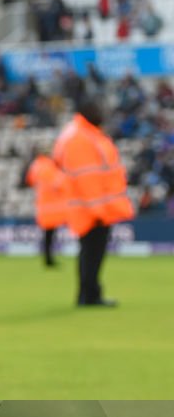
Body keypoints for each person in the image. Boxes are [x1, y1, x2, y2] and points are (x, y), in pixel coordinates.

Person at [51, 99, 135, 306]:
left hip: (94, 206)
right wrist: (97, 209)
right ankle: (89, 295)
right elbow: (86, 178)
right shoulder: (81, 138)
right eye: (98, 108)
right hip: (91, 209)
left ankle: (88, 293)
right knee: (92, 252)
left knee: (91, 252)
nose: (102, 112)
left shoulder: (85, 134)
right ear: (87, 111)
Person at [23, 147, 69, 267]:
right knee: (51, 234)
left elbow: (30, 181)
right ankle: (49, 260)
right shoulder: (50, 166)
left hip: (42, 205)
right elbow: (60, 184)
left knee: (48, 235)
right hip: (54, 207)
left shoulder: (35, 165)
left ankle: (47, 258)